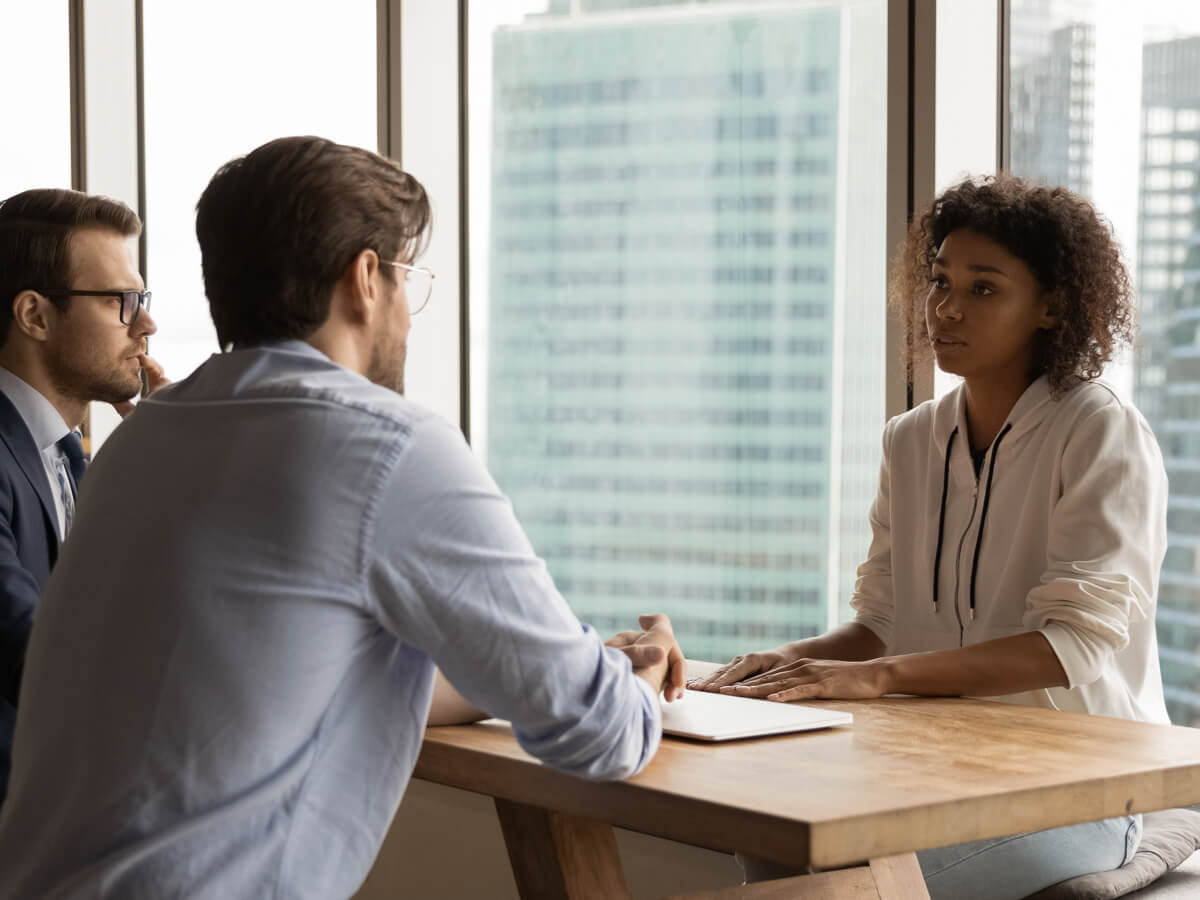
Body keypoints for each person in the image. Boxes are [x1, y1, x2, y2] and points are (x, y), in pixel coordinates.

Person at [0, 136, 683, 900]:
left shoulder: (140, 442)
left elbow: (278, 670)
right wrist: (645, 675)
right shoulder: (389, 445)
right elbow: (601, 734)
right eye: (407, 281)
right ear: (364, 278)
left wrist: (514, 666)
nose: (409, 319)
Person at [690, 173, 1168, 899]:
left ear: (1052, 306)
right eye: (939, 280)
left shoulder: (1098, 429)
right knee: (773, 843)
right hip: (931, 773)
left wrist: (877, 678)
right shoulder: (910, 440)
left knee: (826, 885)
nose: (944, 308)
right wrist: (780, 663)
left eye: (983, 288)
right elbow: (881, 622)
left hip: (1080, 792)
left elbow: (1071, 646)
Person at [0, 188, 165, 807]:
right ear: (35, 316)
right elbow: (34, 655)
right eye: (121, 302)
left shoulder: (74, 461)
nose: (145, 324)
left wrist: (170, 457)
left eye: (141, 300)